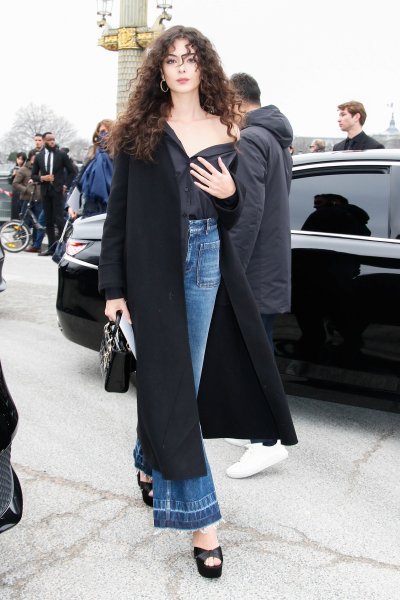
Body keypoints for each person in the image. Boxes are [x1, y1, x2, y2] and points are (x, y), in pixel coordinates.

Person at [98, 26, 297, 579]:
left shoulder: (229, 128)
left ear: (204, 66)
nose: (182, 66)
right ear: (159, 71)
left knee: (177, 380)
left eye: (191, 58)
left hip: (207, 258)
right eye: (172, 59)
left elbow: (235, 216)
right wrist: (113, 288)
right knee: (175, 388)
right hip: (152, 268)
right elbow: (118, 215)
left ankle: (148, 459)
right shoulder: (139, 130)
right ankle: (203, 521)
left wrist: (230, 196)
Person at [223, 72, 293, 478]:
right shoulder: (275, 138)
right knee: (255, 351)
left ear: (236, 100)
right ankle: (255, 429)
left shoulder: (251, 139)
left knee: (253, 355)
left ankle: (266, 443)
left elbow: (246, 212)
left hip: (252, 267)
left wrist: (231, 268)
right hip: (269, 262)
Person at [31, 131, 77, 256]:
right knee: (48, 221)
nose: (52, 142)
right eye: (49, 140)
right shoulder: (39, 156)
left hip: (58, 191)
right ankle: (51, 248)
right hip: (45, 191)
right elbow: (33, 175)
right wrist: (42, 178)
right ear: (44, 141)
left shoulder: (61, 155)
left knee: (59, 220)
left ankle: (62, 248)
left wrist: (65, 185)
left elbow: (72, 172)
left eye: (53, 139)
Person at [67, 119, 114, 220]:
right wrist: (71, 205)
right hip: (91, 206)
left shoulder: (120, 155)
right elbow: (78, 181)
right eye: (102, 132)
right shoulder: (92, 155)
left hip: (113, 206)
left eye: (108, 131)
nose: (105, 135)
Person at [12, 150, 44, 253]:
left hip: (39, 199)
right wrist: (26, 189)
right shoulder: (23, 169)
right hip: (26, 199)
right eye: (35, 157)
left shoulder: (42, 169)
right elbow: (15, 183)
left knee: (38, 223)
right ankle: (24, 243)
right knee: (25, 222)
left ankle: (36, 245)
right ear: (30, 158)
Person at [8, 152, 27, 219]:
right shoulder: (14, 169)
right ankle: (14, 222)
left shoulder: (25, 169)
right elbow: (10, 181)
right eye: (19, 159)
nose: (20, 161)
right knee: (15, 209)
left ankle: (22, 223)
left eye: (22, 159)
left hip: (23, 192)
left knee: (22, 210)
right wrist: (13, 175)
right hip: (15, 192)